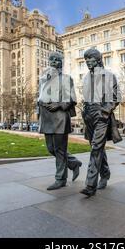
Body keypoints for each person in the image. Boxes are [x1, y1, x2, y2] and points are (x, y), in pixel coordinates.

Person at [80, 48, 122, 197]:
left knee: (96, 148)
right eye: (85, 60)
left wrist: (105, 111)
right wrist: (84, 112)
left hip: (102, 116)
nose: (87, 62)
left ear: (97, 59)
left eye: (89, 59)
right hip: (89, 116)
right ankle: (105, 173)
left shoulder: (109, 76)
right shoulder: (86, 78)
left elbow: (116, 96)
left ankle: (90, 185)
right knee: (97, 147)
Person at [38, 52, 82, 190]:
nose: (53, 62)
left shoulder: (66, 79)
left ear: (61, 63)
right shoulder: (44, 79)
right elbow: (39, 97)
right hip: (46, 118)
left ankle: (60, 179)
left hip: (60, 117)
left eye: (57, 60)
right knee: (51, 149)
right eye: (51, 60)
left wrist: (58, 104)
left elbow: (72, 98)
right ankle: (73, 163)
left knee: (60, 150)